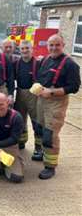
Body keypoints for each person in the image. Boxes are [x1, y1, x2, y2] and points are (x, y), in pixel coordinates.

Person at [36, 34, 81, 179]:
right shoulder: (45, 60)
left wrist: (53, 92)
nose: (54, 48)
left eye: (57, 45)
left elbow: (74, 87)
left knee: (50, 135)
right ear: (47, 46)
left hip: (57, 103)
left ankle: (50, 167)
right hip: (42, 100)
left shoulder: (70, 64)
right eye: (51, 45)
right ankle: (44, 154)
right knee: (41, 129)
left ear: (63, 45)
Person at [13, 40, 43, 158]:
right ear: (19, 50)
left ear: (32, 49)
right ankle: (21, 141)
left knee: (36, 121)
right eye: (22, 49)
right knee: (20, 120)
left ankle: (38, 147)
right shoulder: (16, 63)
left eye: (27, 48)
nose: (24, 51)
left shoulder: (38, 63)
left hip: (34, 95)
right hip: (20, 93)